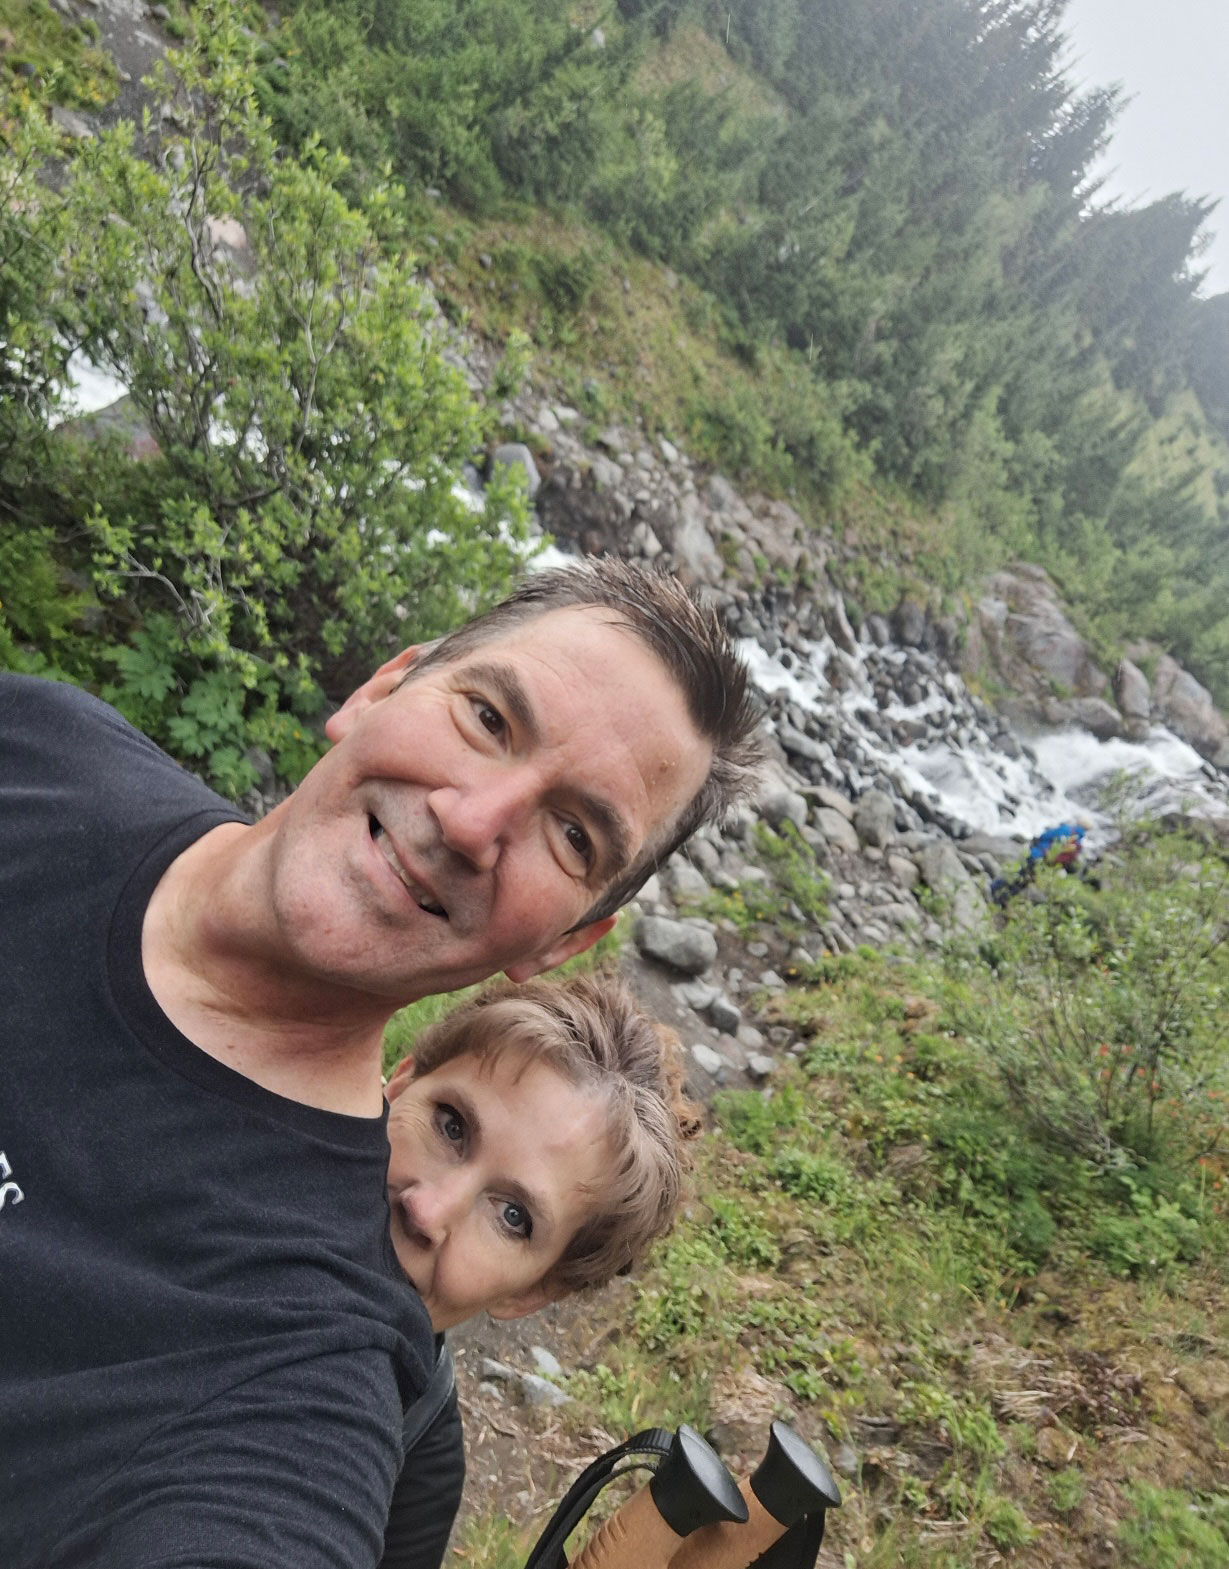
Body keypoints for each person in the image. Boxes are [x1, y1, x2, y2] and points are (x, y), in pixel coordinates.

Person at [0, 559, 762, 1569]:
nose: (469, 822)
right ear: (381, 686)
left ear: (567, 940)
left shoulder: (301, 1382)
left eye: (572, 834)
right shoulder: (37, 744)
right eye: (488, 718)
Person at [375, 974, 700, 1569]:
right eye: (451, 1126)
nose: (427, 1210)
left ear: (531, 1294)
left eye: (513, 1217)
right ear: (398, 1085)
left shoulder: (413, 1481)